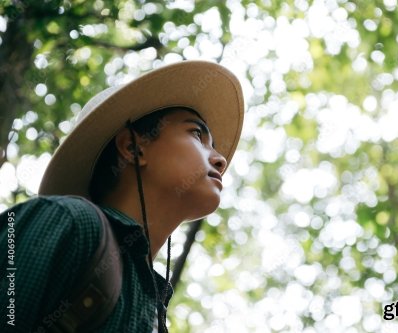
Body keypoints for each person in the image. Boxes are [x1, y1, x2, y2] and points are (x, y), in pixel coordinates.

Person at [0, 60, 244, 332]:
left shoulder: (154, 306)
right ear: (133, 148)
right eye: (197, 134)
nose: (220, 159)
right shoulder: (71, 224)